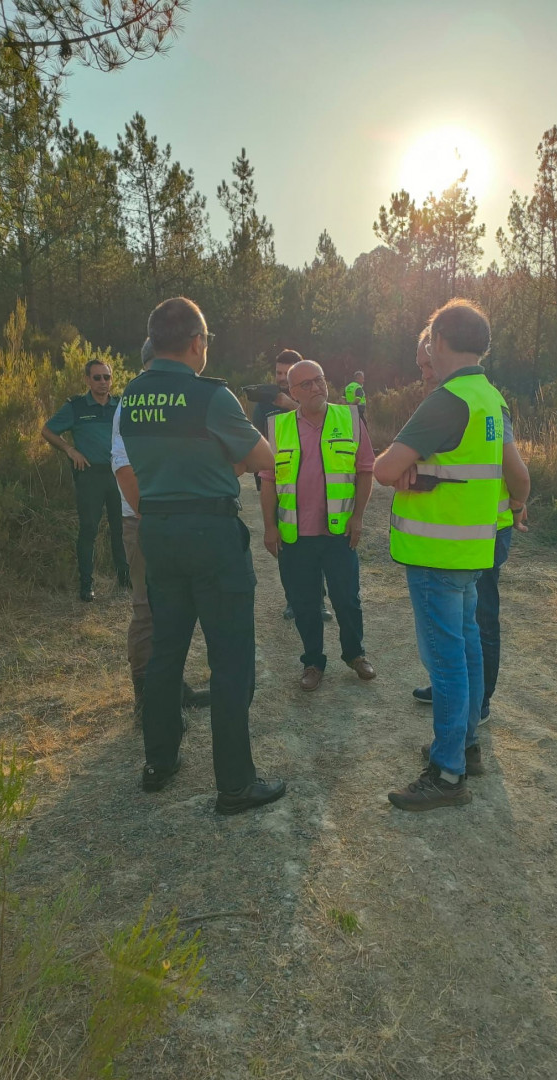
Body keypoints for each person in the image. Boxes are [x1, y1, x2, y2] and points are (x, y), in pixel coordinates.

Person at [119, 296, 285, 814]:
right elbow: (263, 456)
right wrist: (219, 465)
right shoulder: (212, 398)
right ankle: (235, 784)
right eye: (207, 339)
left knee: (167, 651)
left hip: (158, 532)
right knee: (230, 659)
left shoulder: (130, 397)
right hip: (210, 535)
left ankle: (159, 762)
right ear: (197, 342)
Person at [374, 299, 516, 812]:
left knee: (447, 661)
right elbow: (495, 471)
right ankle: (465, 747)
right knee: (469, 649)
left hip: (437, 554)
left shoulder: (447, 400)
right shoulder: (490, 399)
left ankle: (447, 772)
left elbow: (386, 470)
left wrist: (412, 468)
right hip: (472, 549)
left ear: (437, 342)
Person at [411, 328, 531, 723]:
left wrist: (517, 503)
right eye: (420, 366)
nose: (425, 373)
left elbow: (516, 472)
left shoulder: (474, 401)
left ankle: (475, 706)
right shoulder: (462, 400)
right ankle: (454, 691)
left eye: (428, 363)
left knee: (475, 625)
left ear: (443, 350)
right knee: (460, 629)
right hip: (466, 529)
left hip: (480, 531)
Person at [260, 359, 376, 691]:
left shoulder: (350, 419)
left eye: (320, 380)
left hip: (338, 534)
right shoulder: (277, 427)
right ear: (291, 392)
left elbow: (365, 469)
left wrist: (358, 517)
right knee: (305, 603)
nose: (316, 388)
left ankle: (355, 654)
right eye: (307, 384)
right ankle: (313, 662)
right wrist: (270, 527)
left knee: (347, 599)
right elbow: (268, 481)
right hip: (295, 535)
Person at [111, 337, 210, 723]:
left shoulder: (168, 403)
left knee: (175, 607)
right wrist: (152, 517)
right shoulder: (132, 404)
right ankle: (147, 701)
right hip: (144, 521)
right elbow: (124, 469)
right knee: (147, 610)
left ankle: (171, 686)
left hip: (170, 519)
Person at [246, 348, 332, 624]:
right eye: (278, 373)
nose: (282, 378)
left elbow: (324, 420)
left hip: (311, 484)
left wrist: (289, 405)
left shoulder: (310, 397)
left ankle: (318, 599)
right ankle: (293, 599)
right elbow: (257, 440)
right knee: (285, 543)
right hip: (275, 482)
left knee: (315, 541)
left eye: (287, 373)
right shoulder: (263, 404)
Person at [42, 359, 130, 602]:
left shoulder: (120, 406)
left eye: (107, 377)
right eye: (97, 377)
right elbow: (48, 430)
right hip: (89, 475)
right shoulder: (76, 407)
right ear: (87, 380)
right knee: (89, 529)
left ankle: (124, 577)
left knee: (120, 528)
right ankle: (86, 584)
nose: (103, 382)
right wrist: (70, 450)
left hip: (117, 474)